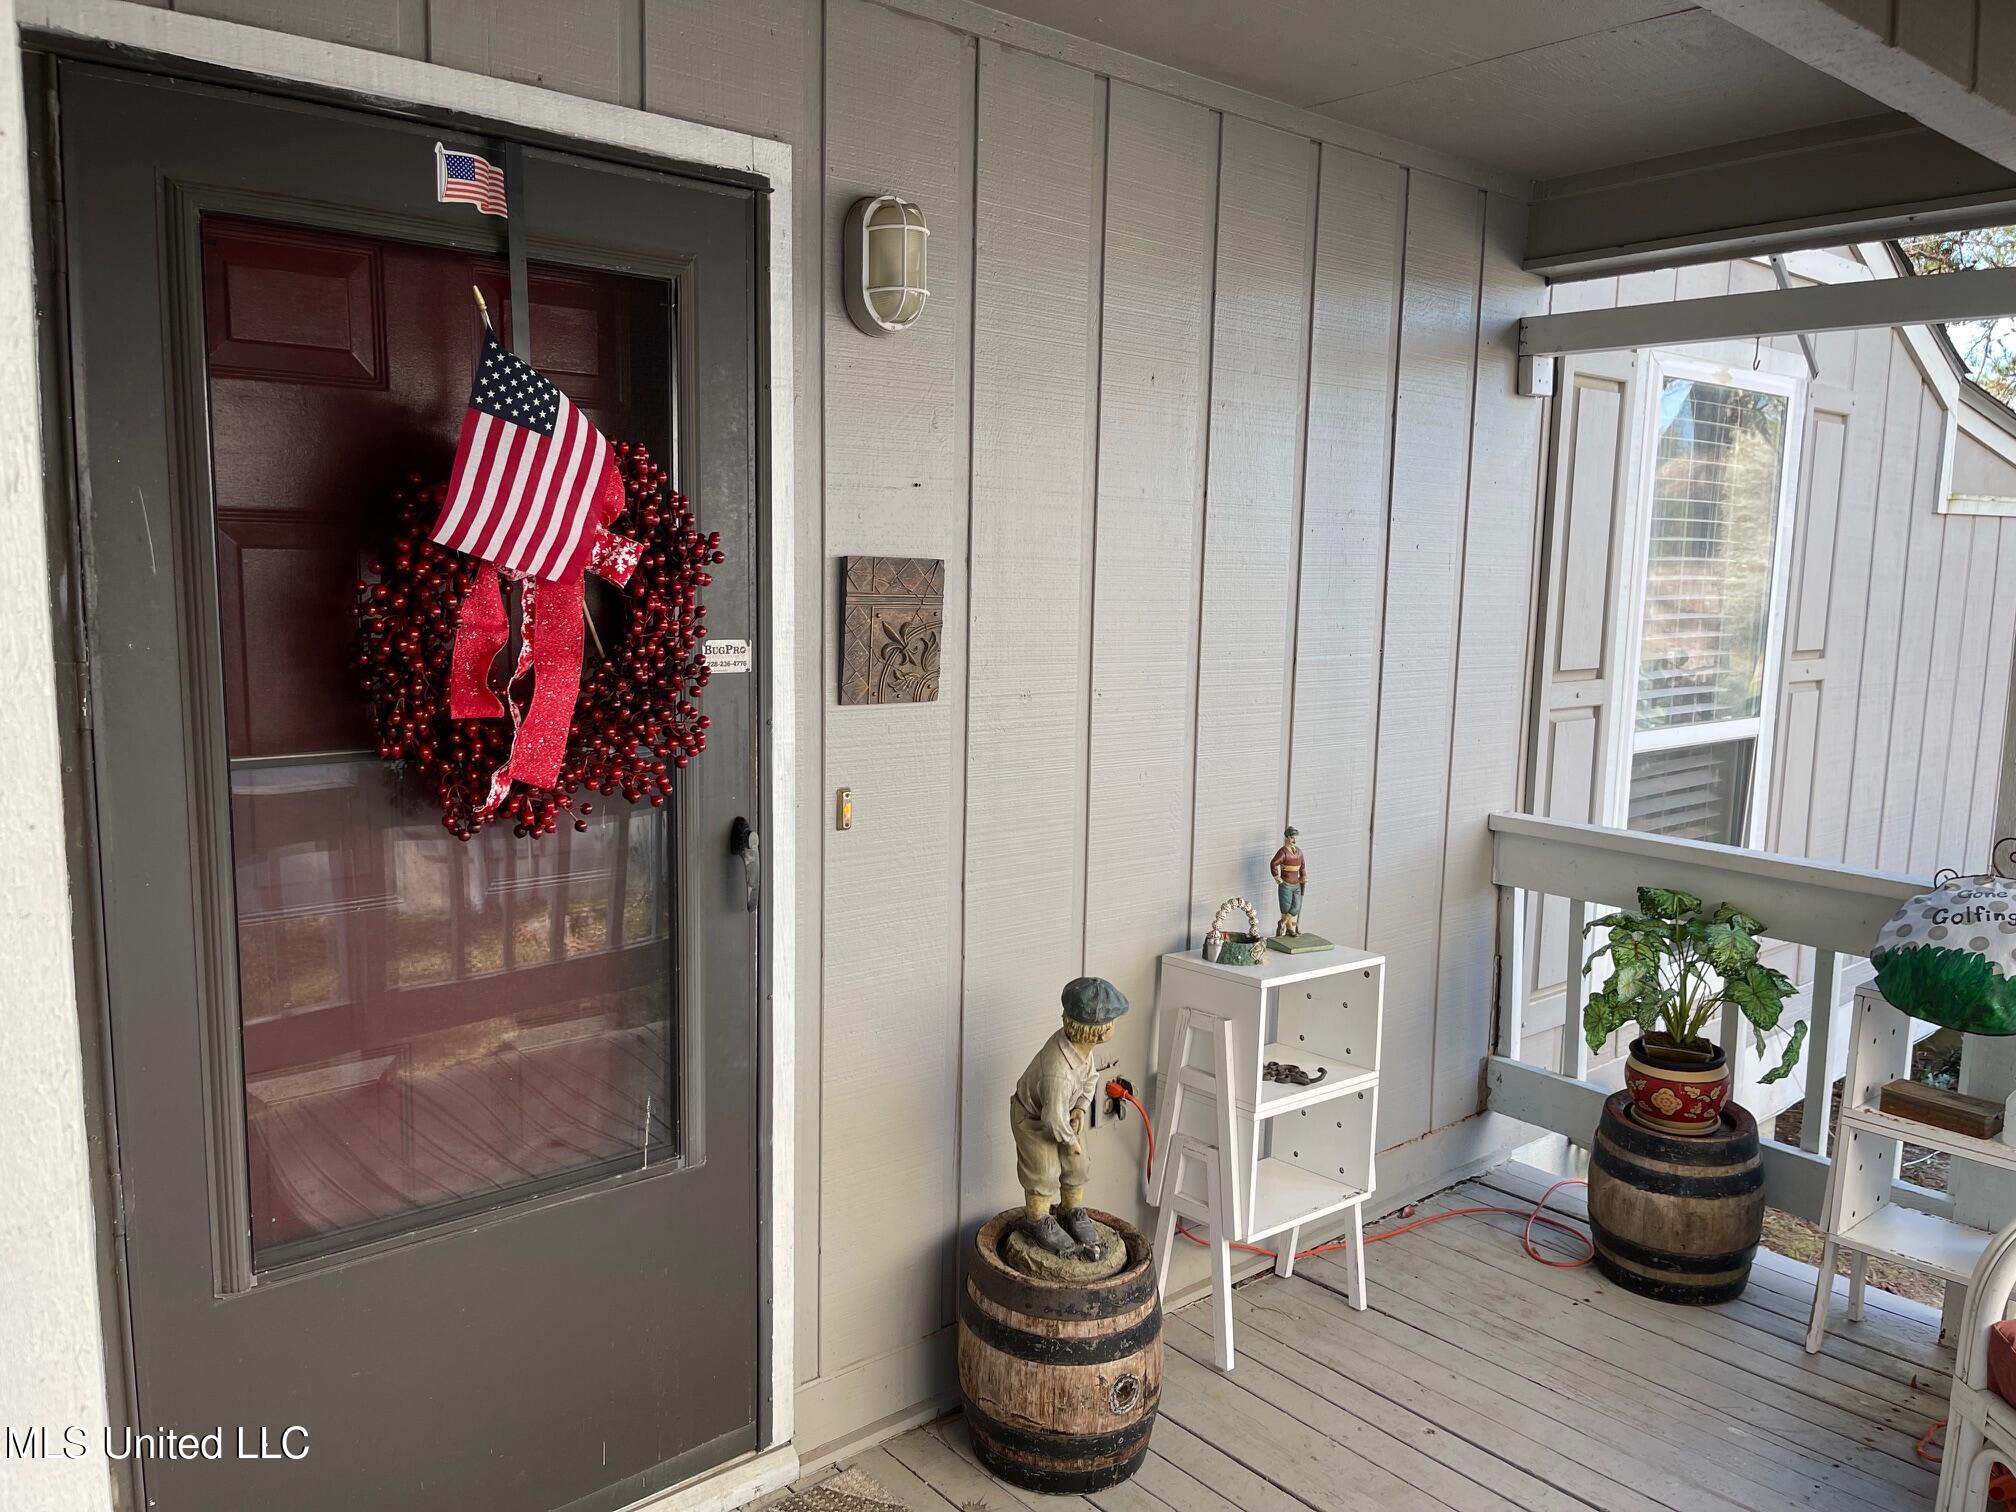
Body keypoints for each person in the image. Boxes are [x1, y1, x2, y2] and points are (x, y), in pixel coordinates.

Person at [1011, 977, 1129, 1259]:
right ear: (1099, 1031)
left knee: (1078, 1163)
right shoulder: (1058, 1070)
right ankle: (1038, 1220)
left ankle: (1071, 1211)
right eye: (1111, 1021)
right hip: (1034, 1119)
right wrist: (1068, 1139)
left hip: (1063, 1112)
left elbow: (1090, 1079)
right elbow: (1051, 1118)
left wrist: (1079, 1109)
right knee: (1044, 1170)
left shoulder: (1080, 1049)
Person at [1270, 826, 1306, 937]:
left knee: (1296, 907)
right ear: (1286, 837)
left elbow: (1302, 866)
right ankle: (1289, 928)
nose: (1294, 840)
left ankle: (1283, 923)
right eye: (1292, 837)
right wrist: (1276, 876)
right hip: (1286, 884)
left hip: (1296, 884)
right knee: (1285, 908)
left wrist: (1304, 876)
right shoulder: (1283, 852)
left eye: (1295, 837)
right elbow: (1273, 863)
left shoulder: (1299, 852)